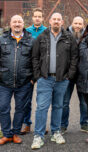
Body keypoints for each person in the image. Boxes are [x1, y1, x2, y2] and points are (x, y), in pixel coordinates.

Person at [31, 13, 78, 149]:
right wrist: (38, 75)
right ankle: (38, 136)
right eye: (54, 19)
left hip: (62, 79)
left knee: (58, 106)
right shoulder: (41, 37)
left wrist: (69, 75)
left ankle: (56, 132)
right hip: (45, 78)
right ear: (50, 21)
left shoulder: (69, 38)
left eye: (59, 20)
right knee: (41, 107)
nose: (56, 22)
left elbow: (74, 58)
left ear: (62, 22)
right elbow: (34, 57)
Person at [0, 15, 34, 145]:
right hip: (4, 82)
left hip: (24, 82)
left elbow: (35, 60)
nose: (17, 24)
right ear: (10, 24)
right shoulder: (2, 39)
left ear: (23, 24)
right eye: (15, 22)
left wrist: (33, 79)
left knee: (20, 109)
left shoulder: (31, 40)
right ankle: (6, 134)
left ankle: (15, 133)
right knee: (3, 108)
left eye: (19, 22)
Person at [21, 7, 47, 135]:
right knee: (27, 99)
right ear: (32, 18)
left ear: (43, 18)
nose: (37, 18)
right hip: (28, 70)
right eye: (35, 16)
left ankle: (41, 124)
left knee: (42, 100)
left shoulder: (47, 31)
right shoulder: (26, 31)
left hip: (43, 70)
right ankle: (26, 124)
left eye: (39, 16)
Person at [61, 16, 88, 134]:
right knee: (65, 101)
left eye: (80, 23)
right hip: (68, 74)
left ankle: (84, 124)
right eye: (75, 23)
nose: (77, 26)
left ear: (83, 25)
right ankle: (63, 125)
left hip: (82, 74)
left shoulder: (87, 37)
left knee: (83, 102)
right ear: (71, 23)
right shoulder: (64, 35)